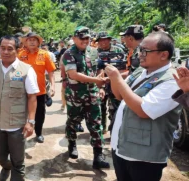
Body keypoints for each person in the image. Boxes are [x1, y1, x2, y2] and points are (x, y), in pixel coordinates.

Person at [107, 32, 180, 181]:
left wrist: (117, 78)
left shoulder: (172, 80)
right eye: (140, 50)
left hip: (144, 157)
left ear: (163, 55)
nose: (140, 54)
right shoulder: (142, 71)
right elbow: (119, 95)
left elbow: (144, 110)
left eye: (145, 51)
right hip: (121, 148)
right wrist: (115, 80)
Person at [0, 35, 38, 181]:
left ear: (17, 50)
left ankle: (16, 173)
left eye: (10, 49)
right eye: (3, 48)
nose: (6, 52)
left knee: (18, 162)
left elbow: (32, 97)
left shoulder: (26, 70)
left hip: (16, 125)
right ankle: (6, 166)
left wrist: (30, 122)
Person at [62, 26, 109, 169]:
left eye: (87, 38)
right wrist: (96, 81)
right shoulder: (69, 54)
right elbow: (73, 75)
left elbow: (99, 68)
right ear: (74, 38)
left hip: (92, 94)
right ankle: (72, 143)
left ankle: (98, 155)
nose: (85, 41)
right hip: (75, 95)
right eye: (82, 38)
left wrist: (100, 86)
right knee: (73, 121)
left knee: (96, 124)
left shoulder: (94, 52)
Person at [18, 32, 56, 143]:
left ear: (38, 42)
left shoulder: (44, 54)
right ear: (25, 42)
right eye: (29, 39)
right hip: (22, 91)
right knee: (21, 113)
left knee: (40, 114)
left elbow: (50, 71)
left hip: (40, 91)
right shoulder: (19, 54)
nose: (32, 41)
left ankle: (38, 133)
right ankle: (21, 133)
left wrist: (53, 86)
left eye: (34, 40)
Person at [95, 32, 126, 133]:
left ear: (109, 40)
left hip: (115, 83)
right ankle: (102, 128)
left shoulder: (118, 50)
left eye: (105, 39)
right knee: (100, 107)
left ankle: (114, 129)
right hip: (100, 82)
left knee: (115, 107)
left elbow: (124, 67)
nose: (103, 42)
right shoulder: (94, 52)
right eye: (100, 40)